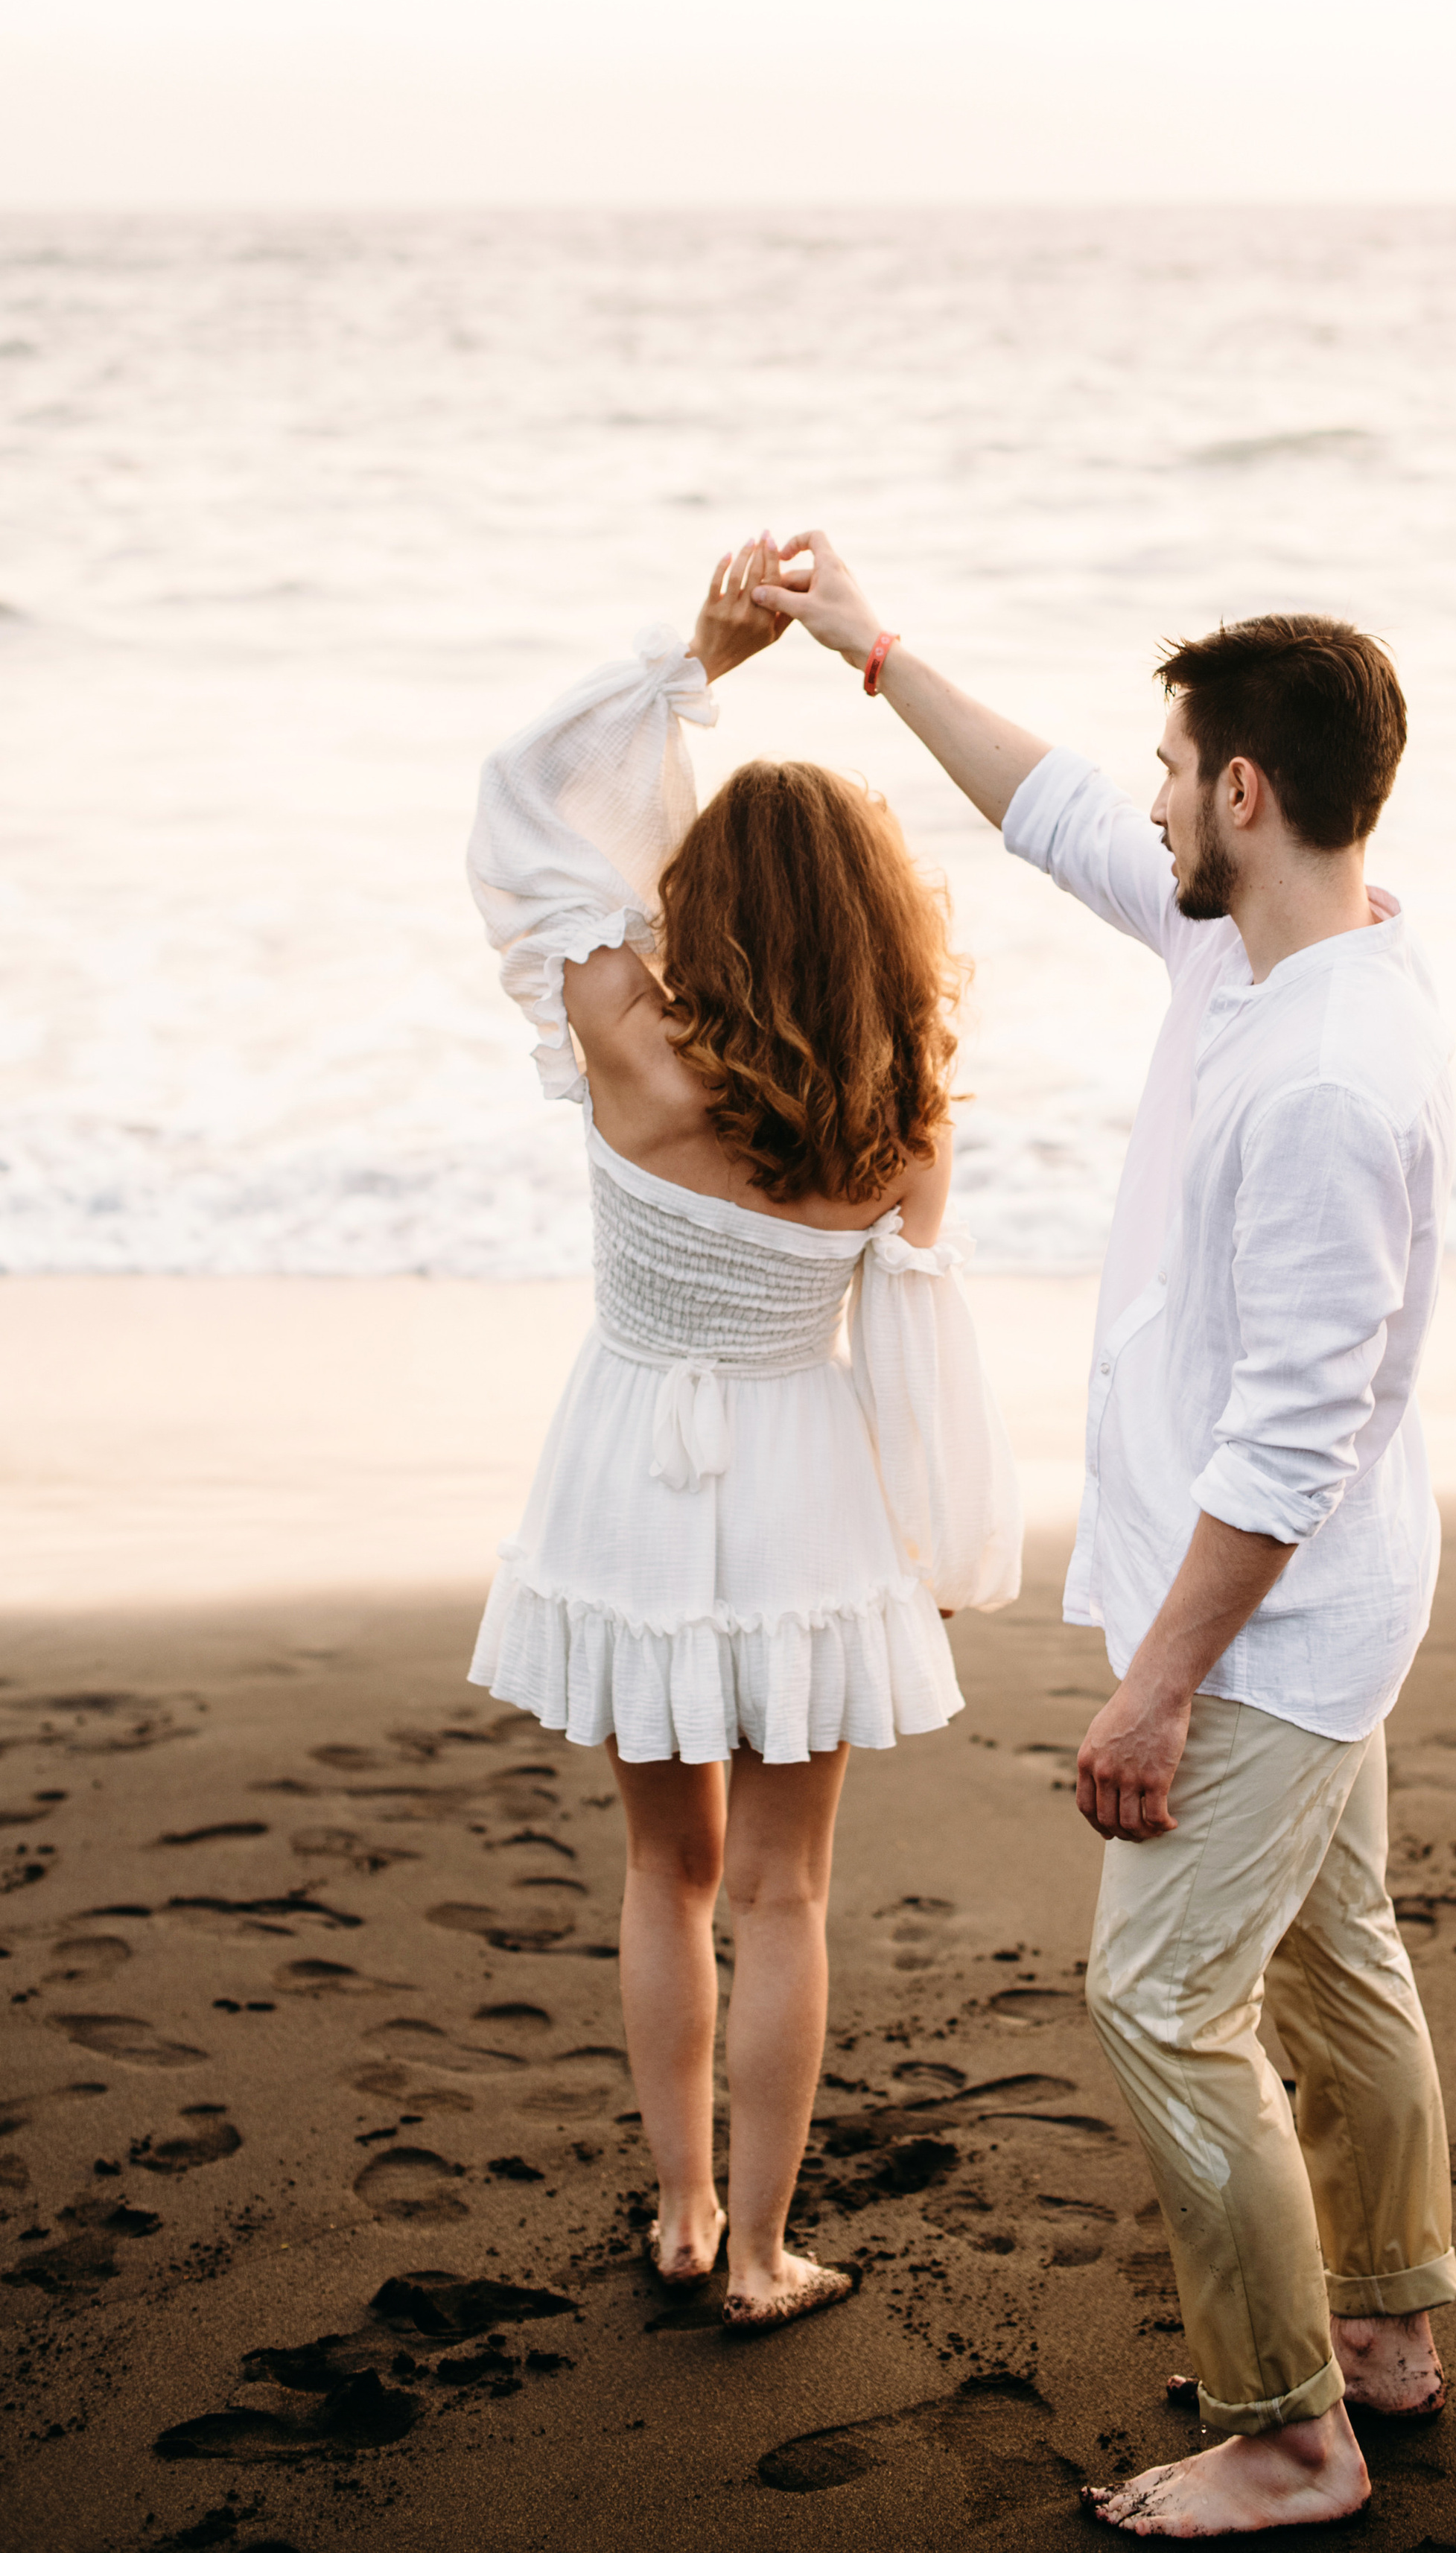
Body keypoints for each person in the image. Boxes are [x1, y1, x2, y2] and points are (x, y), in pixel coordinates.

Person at [758, 531, 1456, 2532]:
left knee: (1160, 2002)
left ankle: (1291, 2428)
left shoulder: (1325, 1069)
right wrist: (872, 650)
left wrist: (1156, 1691)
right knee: (1339, 1960)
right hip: (1335, 1608)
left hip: (1269, 1627)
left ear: (1246, 794)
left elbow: (1295, 1435)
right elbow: (1056, 809)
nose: (1147, 794)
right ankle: (1390, 2331)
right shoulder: (1277, 948)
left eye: (1176, 767)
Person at [465, 540, 1020, 2333]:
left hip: (635, 1466)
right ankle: (772, 2252)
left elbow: (523, 804)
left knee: (664, 1867)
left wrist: (689, 663)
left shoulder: (624, 1035)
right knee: (783, 1891)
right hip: (804, 1490)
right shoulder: (905, 1104)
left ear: (695, 895)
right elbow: (917, 1351)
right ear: (877, 921)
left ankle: (686, 2208)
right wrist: (928, 1553)